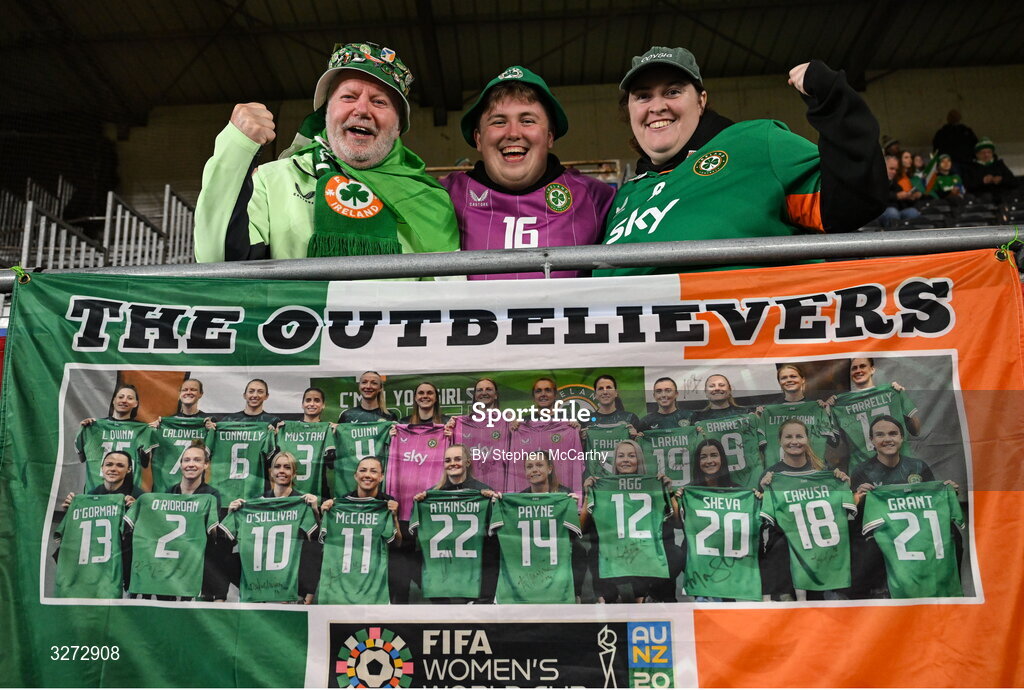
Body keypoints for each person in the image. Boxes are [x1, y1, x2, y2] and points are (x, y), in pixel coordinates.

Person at [596, 46, 885, 276]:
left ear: (701, 100)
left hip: (745, 339)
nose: (657, 106)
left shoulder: (756, 141)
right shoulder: (626, 195)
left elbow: (851, 203)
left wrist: (834, 102)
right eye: (642, 96)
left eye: (673, 92)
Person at [194, 41, 458, 264]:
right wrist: (236, 149)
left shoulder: (428, 200)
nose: (363, 110)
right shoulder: (273, 180)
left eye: (379, 102)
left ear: (399, 126)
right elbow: (217, 262)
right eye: (348, 97)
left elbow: (449, 300)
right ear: (326, 113)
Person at [443, 66, 614, 279]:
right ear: (478, 139)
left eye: (527, 121)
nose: (513, 133)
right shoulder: (445, 196)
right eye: (499, 122)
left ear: (550, 136)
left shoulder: (595, 197)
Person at [582, 440, 680, 603]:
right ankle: (607, 598)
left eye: (631, 455)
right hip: (617, 547)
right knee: (595, 548)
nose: (625, 459)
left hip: (643, 547)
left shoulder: (653, 484)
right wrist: (588, 494)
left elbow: (676, 523)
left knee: (674, 552)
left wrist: (668, 491)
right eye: (620, 456)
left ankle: (650, 596)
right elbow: (583, 528)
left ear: (639, 460)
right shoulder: (603, 486)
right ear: (614, 461)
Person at [318, 457, 400, 605]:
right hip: (342, 582)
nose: (367, 475)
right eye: (362, 470)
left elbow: (396, 543)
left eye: (373, 471)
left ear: (381, 477)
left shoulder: (386, 504)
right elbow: (323, 541)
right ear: (355, 476)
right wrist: (323, 512)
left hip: (373, 583)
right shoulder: (340, 504)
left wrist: (394, 518)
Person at [61, 450, 143, 512]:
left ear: (129, 469)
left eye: (120, 465)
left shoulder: (138, 496)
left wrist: (139, 511)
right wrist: (72, 509)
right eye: (109, 464)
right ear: (102, 468)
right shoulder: (92, 494)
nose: (113, 469)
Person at [962, 137, 1017, 202]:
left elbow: (1014, 182)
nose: (986, 155)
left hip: (1002, 195)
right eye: (983, 153)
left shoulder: (999, 165)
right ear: (977, 154)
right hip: (982, 196)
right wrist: (982, 181)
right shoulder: (971, 167)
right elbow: (967, 185)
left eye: (989, 152)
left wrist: (1001, 180)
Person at [879, 154, 922, 227]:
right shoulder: (875, 181)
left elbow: (903, 202)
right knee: (892, 212)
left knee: (913, 212)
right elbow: (877, 196)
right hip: (880, 213)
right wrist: (896, 196)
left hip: (897, 211)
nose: (894, 172)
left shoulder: (894, 183)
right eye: (891, 168)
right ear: (882, 167)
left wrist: (910, 198)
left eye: (896, 169)